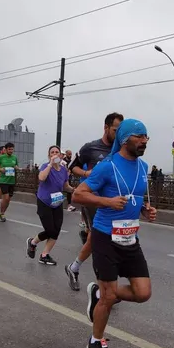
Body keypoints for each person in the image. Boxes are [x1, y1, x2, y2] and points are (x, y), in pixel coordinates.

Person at [73, 118, 156, 348]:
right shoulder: (107, 166)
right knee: (109, 297)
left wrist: (145, 210)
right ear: (125, 139)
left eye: (146, 137)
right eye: (139, 137)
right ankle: (95, 341)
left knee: (143, 293)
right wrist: (107, 202)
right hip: (105, 237)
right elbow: (79, 194)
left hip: (130, 238)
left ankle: (100, 293)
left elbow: (135, 197)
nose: (144, 141)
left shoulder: (143, 167)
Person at [64, 112, 123, 291]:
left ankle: (74, 268)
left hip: (113, 199)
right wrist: (86, 174)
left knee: (99, 237)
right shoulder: (91, 148)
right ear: (106, 128)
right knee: (101, 237)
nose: (119, 134)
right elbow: (72, 166)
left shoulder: (121, 150)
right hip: (92, 198)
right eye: (116, 129)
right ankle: (105, 286)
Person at [26, 146, 74, 265]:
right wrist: (50, 164)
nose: (54, 154)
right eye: (52, 152)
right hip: (44, 201)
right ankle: (33, 242)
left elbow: (65, 186)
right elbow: (41, 178)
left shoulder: (63, 170)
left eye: (57, 152)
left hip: (57, 202)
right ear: (49, 155)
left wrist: (74, 190)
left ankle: (44, 255)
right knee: (50, 229)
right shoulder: (45, 166)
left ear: (61, 155)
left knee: (56, 230)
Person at [0, 142, 19, 222]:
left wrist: (16, 167)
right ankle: (1, 212)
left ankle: (2, 213)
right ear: (6, 149)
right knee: (6, 197)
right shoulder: (1, 157)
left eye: (12, 149)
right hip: (3, 180)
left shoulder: (14, 157)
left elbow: (16, 166)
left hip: (12, 181)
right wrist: (1, 169)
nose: (11, 151)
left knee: (8, 200)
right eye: (9, 149)